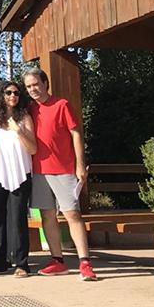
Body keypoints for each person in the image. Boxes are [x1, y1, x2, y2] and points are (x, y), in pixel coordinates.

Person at [23, 68, 97, 281]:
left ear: (45, 83)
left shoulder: (61, 105)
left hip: (63, 169)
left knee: (72, 214)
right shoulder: (29, 109)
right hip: (38, 171)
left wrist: (80, 165)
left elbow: (76, 134)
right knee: (47, 215)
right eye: (28, 86)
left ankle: (85, 263)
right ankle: (58, 261)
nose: (33, 89)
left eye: (36, 84)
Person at [0, 81, 37, 277]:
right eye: (8, 92)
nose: (13, 96)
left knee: (18, 217)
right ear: (1, 95)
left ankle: (21, 263)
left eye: (16, 93)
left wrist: (19, 131)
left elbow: (33, 148)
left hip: (20, 173)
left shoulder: (24, 118)